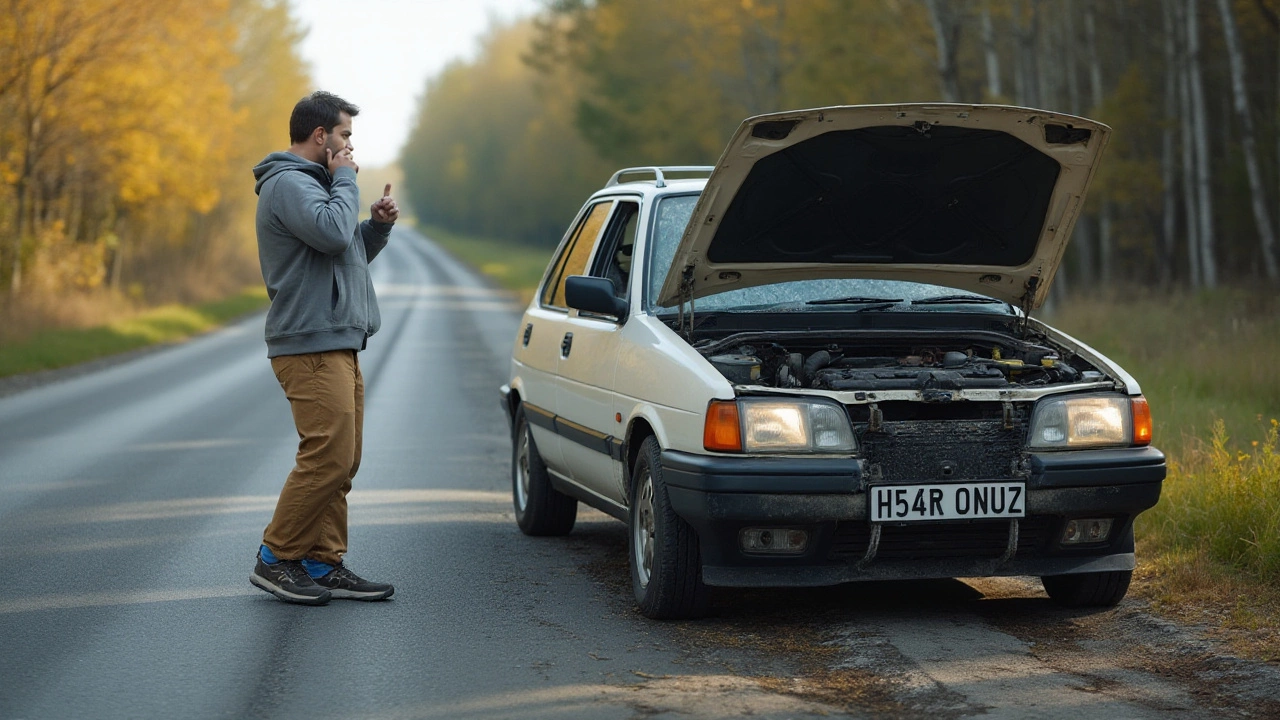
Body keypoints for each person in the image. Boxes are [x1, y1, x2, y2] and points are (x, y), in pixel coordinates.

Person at [248, 91, 399, 605]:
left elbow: (343, 251)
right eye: (346, 136)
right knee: (327, 454)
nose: (351, 147)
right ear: (321, 137)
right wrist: (347, 179)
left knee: (344, 458)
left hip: (337, 339)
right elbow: (333, 235)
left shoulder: (315, 187)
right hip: (308, 344)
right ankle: (277, 556)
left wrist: (375, 229)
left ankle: (321, 560)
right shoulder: (289, 183)